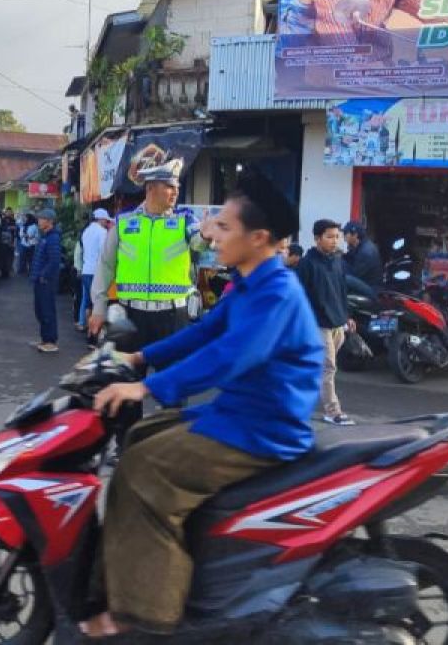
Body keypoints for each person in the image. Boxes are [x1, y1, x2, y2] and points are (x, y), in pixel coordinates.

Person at [79, 175, 323, 637]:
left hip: (261, 430)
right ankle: (116, 581)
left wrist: (146, 388)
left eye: (225, 227)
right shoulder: (251, 284)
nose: (213, 233)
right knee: (137, 438)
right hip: (237, 414)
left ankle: (146, 615)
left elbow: (228, 356)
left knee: (144, 470)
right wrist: (139, 358)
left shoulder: (275, 293)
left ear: (259, 239)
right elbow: (205, 332)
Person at [88, 159, 209, 438]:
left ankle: (170, 444)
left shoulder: (184, 220)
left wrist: (206, 234)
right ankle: (127, 445)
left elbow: (199, 242)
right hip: (130, 318)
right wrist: (98, 307)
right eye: (169, 186)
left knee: (173, 388)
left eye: (177, 187)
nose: (175, 192)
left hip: (172, 318)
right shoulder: (124, 222)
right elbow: (106, 266)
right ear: (151, 188)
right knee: (126, 385)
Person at [296, 219, 356, 426]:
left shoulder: (337, 260)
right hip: (318, 323)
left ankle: (293, 400)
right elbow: (299, 297)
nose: (334, 240)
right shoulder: (306, 263)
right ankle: (333, 411)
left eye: (336, 236)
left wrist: (347, 316)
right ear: (317, 238)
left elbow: (341, 290)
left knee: (317, 367)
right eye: (329, 237)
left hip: (337, 322)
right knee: (328, 367)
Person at [77, 209, 113, 339]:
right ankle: (92, 333)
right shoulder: (102, 232)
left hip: (86, 270)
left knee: (87, 300)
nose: (106, 222)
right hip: (96, 271)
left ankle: (83, 324)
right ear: (100, 219)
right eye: (105, 220)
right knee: (96, 303)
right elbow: (104, 254)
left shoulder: (86, 231)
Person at [30, 208, 62, 353]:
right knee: (40, 310)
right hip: (40, 280)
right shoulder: (45, 236)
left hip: (46, 281)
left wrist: (43, 275)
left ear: (49, 222)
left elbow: (54, 261)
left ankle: (50, 341)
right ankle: (45, 338)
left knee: (47, 310)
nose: (39, 221)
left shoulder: (53, 238)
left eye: (41, 219)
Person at [342, 221, 383, 289]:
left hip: (371, 289)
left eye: (346, 233)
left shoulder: (366, 252)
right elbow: (349, 257)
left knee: (345, 278)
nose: (344, 236)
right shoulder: (360, 245)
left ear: (355, 235)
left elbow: (354, 275)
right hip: (365, 282)